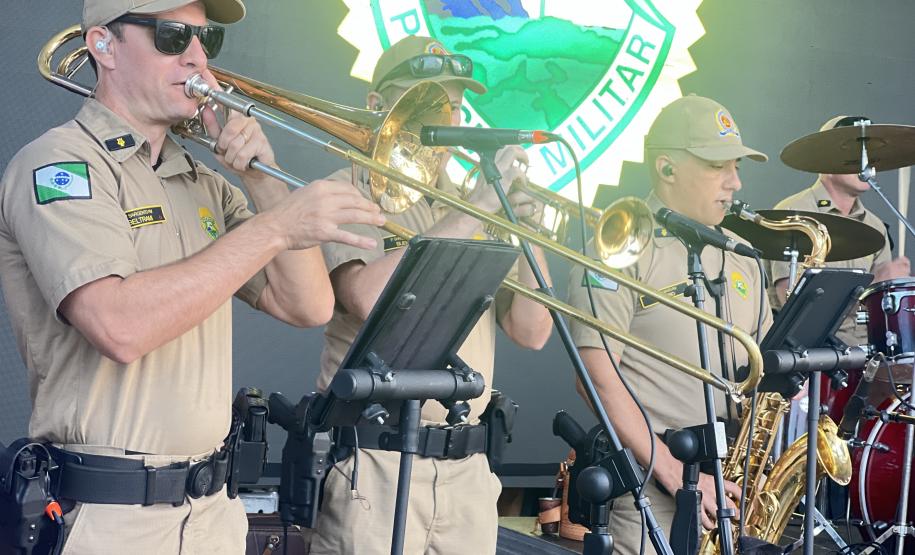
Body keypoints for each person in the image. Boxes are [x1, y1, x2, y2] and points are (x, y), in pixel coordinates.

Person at [0, 0, 385, 553]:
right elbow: (118, 326)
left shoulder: (203, 182)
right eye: (174, 37)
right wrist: (276, 227)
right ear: (104, 46)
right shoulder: (60, 166)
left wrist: (264, 182)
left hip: (211, 513)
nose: (199, 59)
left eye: (207, 40)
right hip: (112, 518)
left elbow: (307, 306)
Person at [308, 36, 554, 554]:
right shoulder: (348, 187)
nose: (448, 120)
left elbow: (531, 332)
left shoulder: (474, 200)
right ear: (378, 105)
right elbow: (367, 298)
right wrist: (478, 209)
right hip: (376, 462)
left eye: (456, 107)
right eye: (430, 103)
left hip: (467, 468)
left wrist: (529, 233)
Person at [564, 95, 773, 554]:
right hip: (651, 492)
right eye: (717, 166)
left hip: (730, 488)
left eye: (737, 166)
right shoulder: (619, 245)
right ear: (667, 168)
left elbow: (762, 375)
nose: (735, 182)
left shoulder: (744, 257)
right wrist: (674, 473)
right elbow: (595, 377)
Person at [768, 115, 911, 339]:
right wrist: (872, 285)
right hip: (811, 351)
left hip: (865, 351)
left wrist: (892, 289)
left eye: (869, 153)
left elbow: (880, 310)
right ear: (826, 161)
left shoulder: (875, 226)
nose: (865, 161)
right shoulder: (795, 213)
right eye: (854, 153)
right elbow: (794, 307)